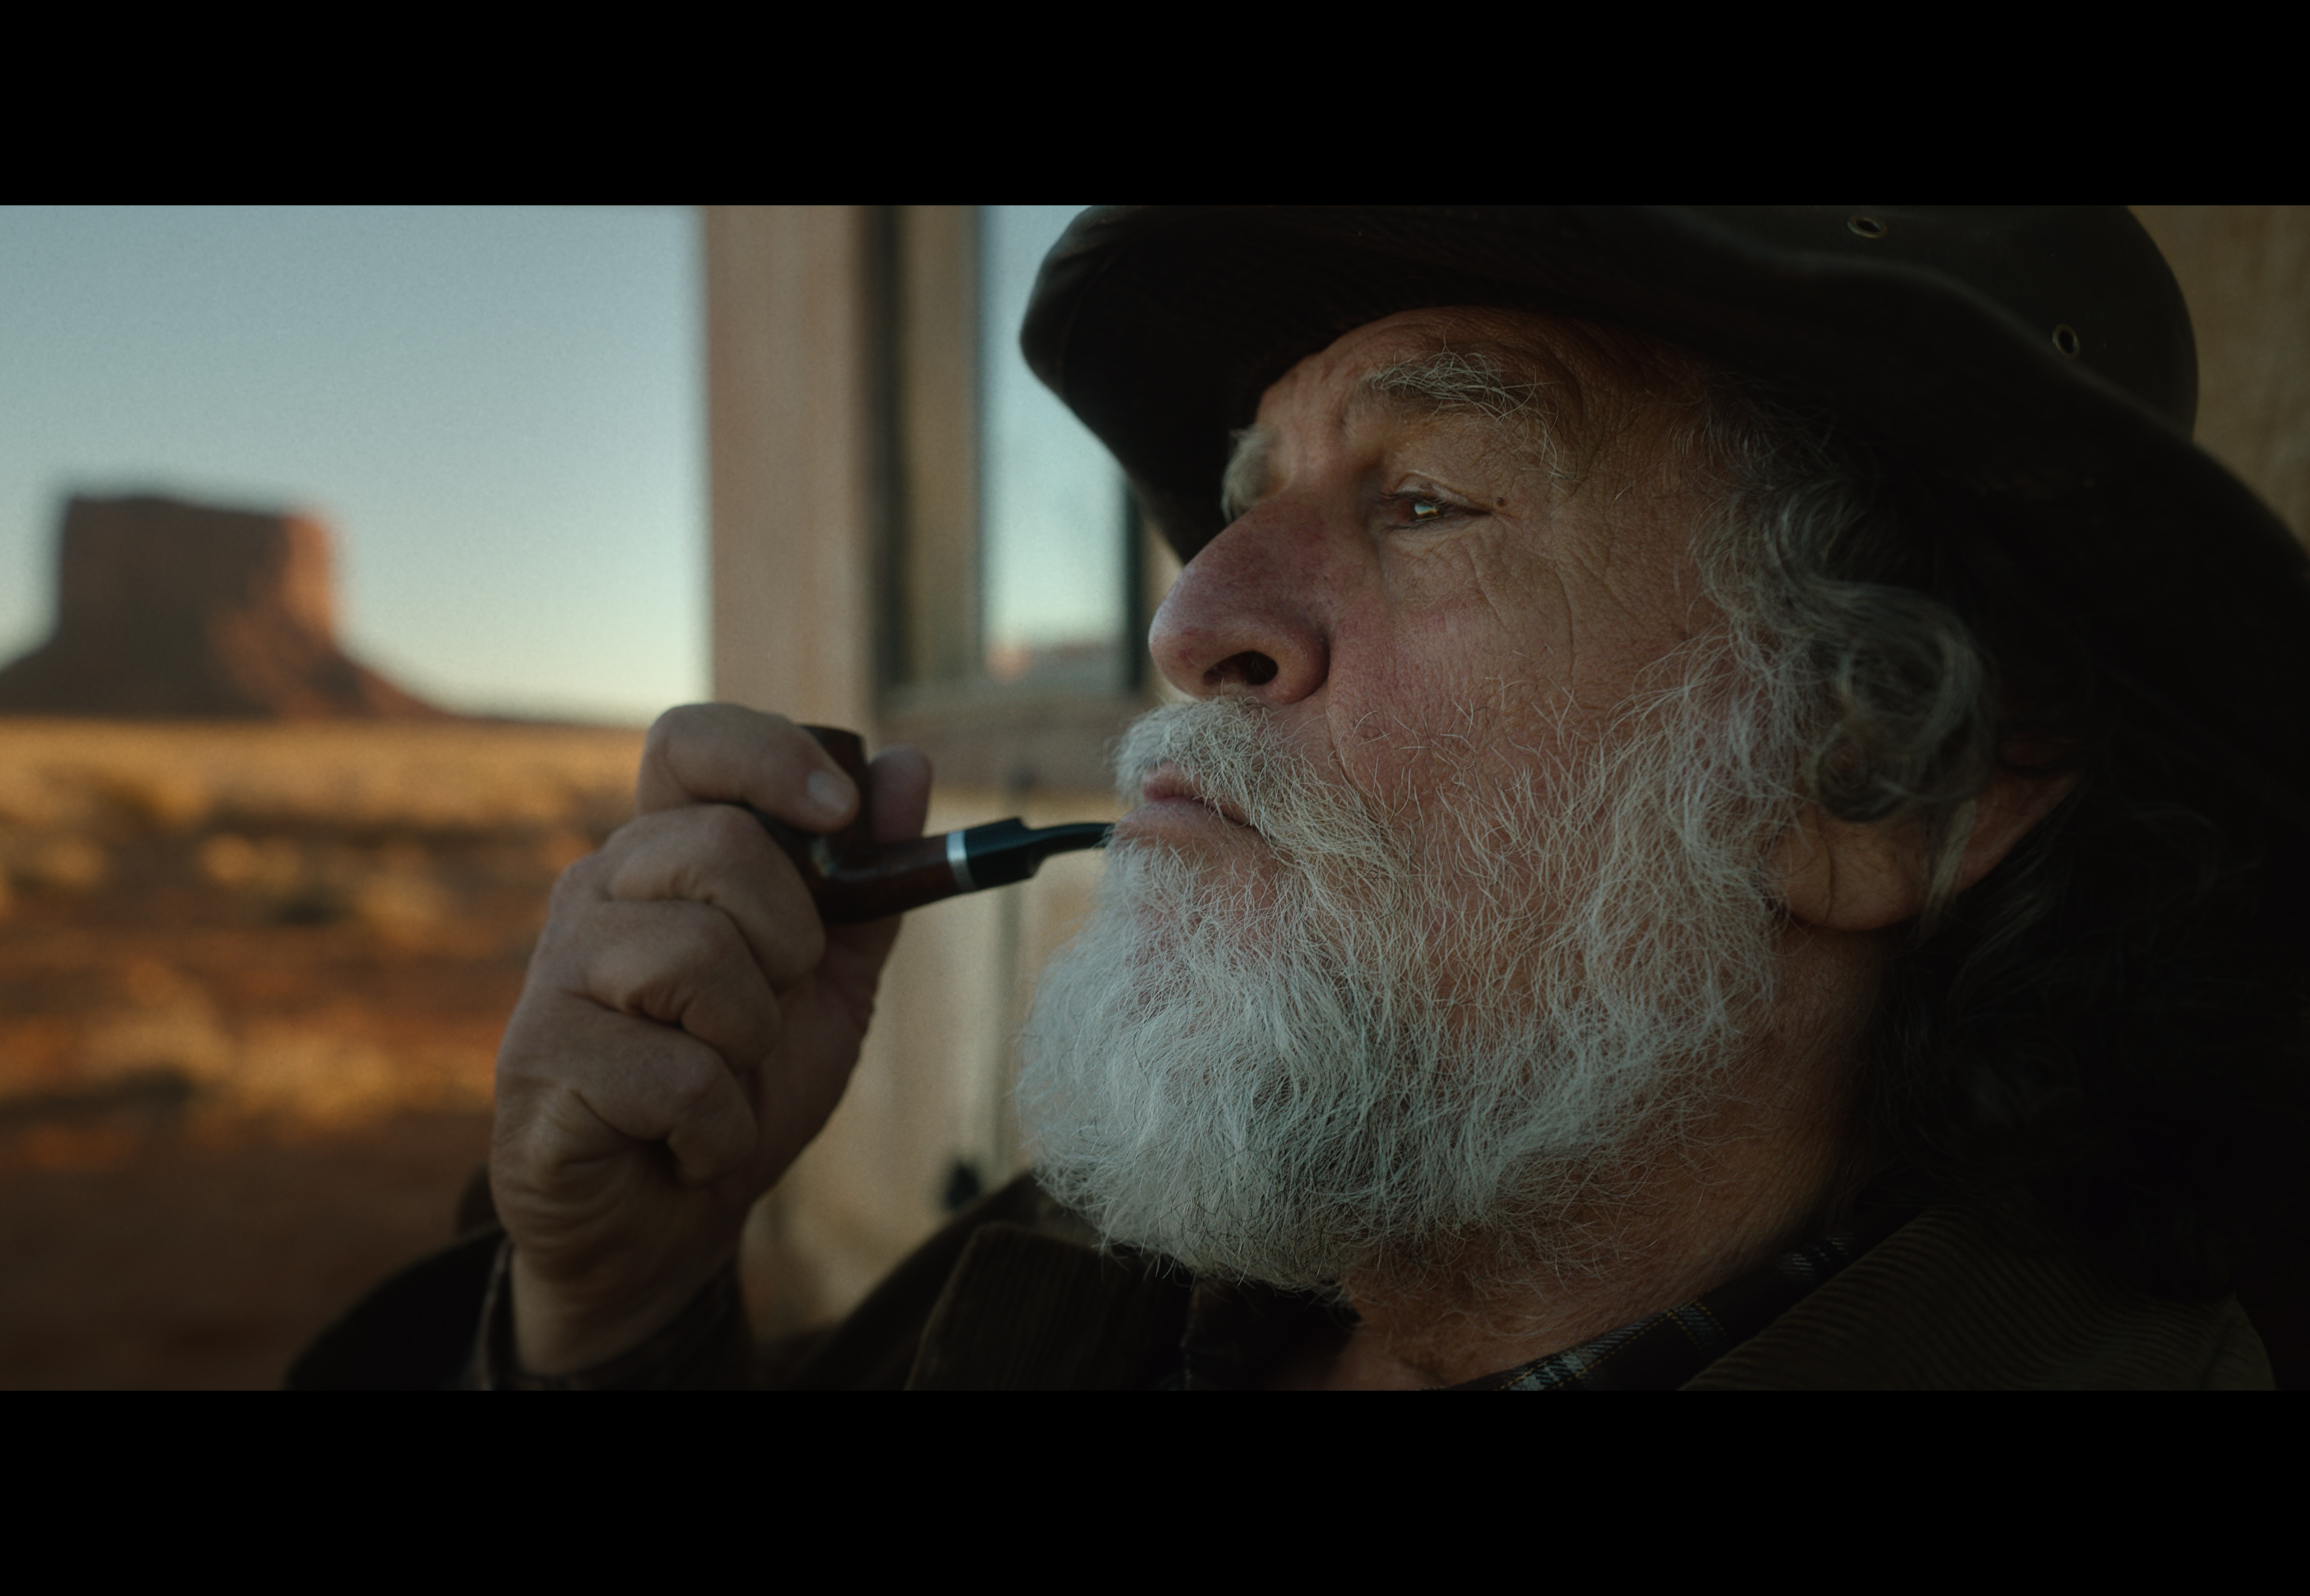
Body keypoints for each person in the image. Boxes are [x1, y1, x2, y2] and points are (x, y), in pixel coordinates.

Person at [293, 208, 2304, 1388]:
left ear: (1883, 773)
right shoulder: (1087, 1282)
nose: (1196, 621)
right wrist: (610, 1316)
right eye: (1245, 504)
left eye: (1425, 500)